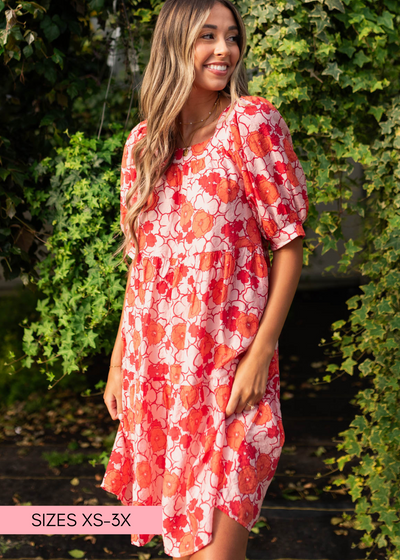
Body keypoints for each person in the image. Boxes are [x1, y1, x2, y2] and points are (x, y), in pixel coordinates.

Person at [102, 0, 308, 558]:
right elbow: (141, 267)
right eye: (207, 36)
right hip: (161, 380)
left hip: (230, 376)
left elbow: (289, 244)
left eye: (232, 36)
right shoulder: (142, 147)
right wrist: (121, 362)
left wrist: (261, 352)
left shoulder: (251, 124)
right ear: (174, 45)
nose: (225, 49)